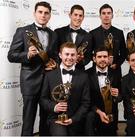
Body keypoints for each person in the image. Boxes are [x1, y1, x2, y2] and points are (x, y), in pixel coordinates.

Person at [7, 1, 59, 136]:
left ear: (50, 15)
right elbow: (11, 56)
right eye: (40, 12)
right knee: (28, 119)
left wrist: (55, 64)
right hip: (30, 81)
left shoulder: (53, 34)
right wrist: (27, 55)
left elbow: (55, 57)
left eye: (46, 13)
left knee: (46, 118)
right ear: (34, 13)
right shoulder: (23, 31)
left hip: (48, 82)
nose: (43, 15)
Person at [40, 42, 90, 136]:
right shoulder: (49, 76)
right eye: (66, 54)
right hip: (56, 119)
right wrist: (54, 107)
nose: (70, 57)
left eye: (72, 55)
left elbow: (86, 103)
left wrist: (73, 119)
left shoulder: (84, 77)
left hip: (76, 120)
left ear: (76, 56)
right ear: (60, 55)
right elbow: (43, 99)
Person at [85, 47, 121, 136]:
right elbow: (85, 98)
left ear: (109, 58)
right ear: (94, 59)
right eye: (99, 57)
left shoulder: (116, 74)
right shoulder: (86, 74)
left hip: (111, 113)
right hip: (93, 111)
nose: (102, 59)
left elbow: (121, 96)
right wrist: (98, 111)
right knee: (90, 117)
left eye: (105, 57)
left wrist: (117, 95)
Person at [90, 4, 127, 77]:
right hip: (97, 71)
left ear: (112, 15)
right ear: (100, 16)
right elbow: (89, 53)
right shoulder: (92, 33)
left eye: (109, 13)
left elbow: (123, 52)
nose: (106, 16)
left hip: (115, 71)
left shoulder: (119, 32)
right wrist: (98, 62)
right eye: (103, 13)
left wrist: (117, 64)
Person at [55, 4, 92, 70]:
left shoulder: (88, 36)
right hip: (61, 71)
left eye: (80, 16)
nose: (78, 18)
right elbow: (54, 52)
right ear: (70, 15)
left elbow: (88, 57)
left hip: (79, 72)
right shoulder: (58, 32)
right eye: (75, 15)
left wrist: (81, 60)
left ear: (83, 17)